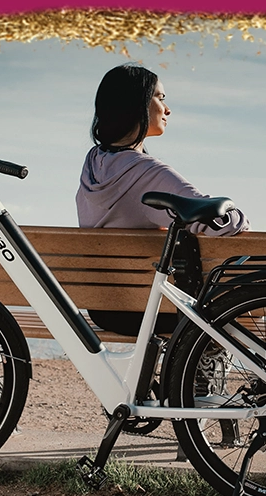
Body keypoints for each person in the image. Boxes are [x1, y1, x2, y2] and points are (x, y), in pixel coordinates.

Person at [76, 64, 250, 336]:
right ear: (136, 104)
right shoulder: (147, 173)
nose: (167, 110)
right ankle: (209, 359)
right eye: (160, 98)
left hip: (105, 309)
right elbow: (220, 224)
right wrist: (236, 215)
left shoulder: (93, 164)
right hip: (157, 309)